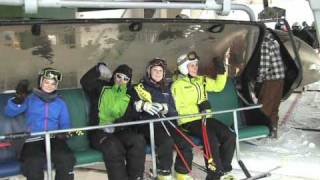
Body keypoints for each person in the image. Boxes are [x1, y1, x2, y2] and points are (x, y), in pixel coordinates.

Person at [171, 51, 236, 180]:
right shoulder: (178, 85)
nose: (195, 68)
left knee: (230, 135)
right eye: (192, 65)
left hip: (206, 118)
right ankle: (214, 174)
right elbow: (178, 107)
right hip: (189, 121)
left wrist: (221, 71)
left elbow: (218, 86)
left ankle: (223, 169)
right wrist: (198, 107)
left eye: (196, 65)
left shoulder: (202, 80)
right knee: (210, 138)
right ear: (184, 68)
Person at [4, 67, 75, 180]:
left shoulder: (60, 103)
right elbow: (9, 112)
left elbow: (66, 124)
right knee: (33, 161)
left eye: (53, 83)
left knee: (66, 158)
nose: (49, 86)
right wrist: (18, 100)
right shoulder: (30, 99)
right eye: (46, 82)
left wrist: (65, 134)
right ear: (40, 82)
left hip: (53, 138)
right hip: (33, 138)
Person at [80, 63, 146, 180]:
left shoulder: (130, 95)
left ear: (129, 81)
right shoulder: (101, 88)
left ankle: (136, 177)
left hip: (119, 130)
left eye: (125, 79)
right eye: (119, 76)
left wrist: (139, 107)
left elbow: (131, 116)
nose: (121, 81)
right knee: (112, 145)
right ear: (114, 76)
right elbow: (85, 82)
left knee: (138, 140)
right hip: (99, 131)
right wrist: (97, 69)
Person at [131, 58, 193, 180]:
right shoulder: (140, 87)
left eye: (160, 71)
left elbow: (174, 110)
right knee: (166, 141)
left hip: (167, 122)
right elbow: (131, 104)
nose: (158, 73)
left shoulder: (167, 88)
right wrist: (141, 105)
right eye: (155, 70)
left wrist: (165, 108)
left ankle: (182, 172)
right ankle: (164, 173)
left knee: (186, 141)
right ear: (149, 71)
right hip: (148, 124)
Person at [256, 30, 285, 138]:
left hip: (271, 79)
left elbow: (264, 65)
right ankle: (273, 130)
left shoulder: (264, 44)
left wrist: (258, 81)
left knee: (264, 107)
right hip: (280, 78)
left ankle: (262, 132)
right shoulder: (274, 42)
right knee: (274, 107)